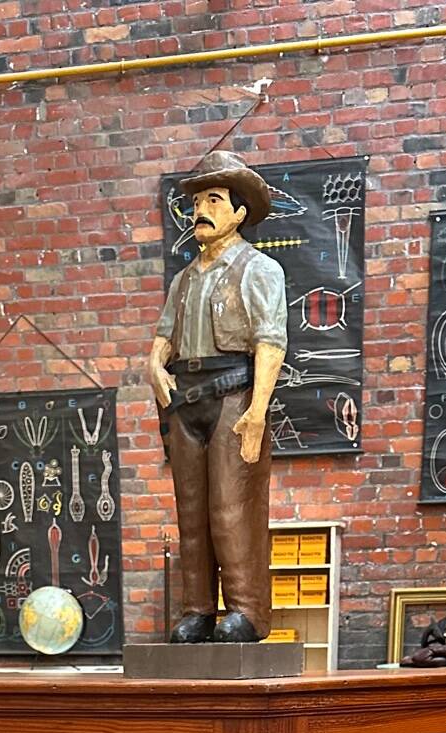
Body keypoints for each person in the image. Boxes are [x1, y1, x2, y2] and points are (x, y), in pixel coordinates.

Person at [149, 150, 288, 643]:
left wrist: (257, 413)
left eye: (213, 199)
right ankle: (198, 609)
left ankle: (247, 611)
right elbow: (164, 337)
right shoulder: (184, 280)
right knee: (191, 511)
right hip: (186, 401)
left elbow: (271, 343)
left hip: (234, 392)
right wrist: (152, 364)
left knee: (233, 506)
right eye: (196, 202)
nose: (200, 211)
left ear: (238, 213)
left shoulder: (259, 270)